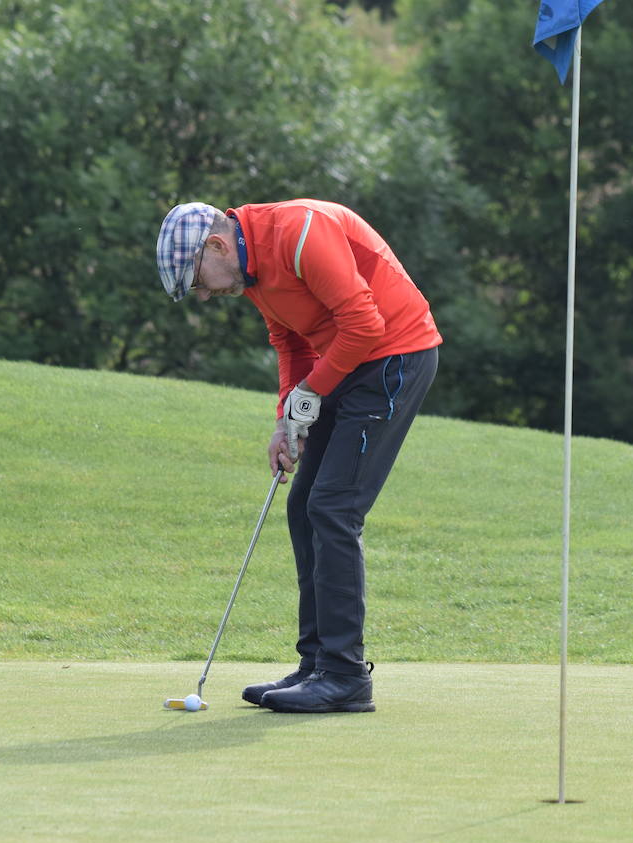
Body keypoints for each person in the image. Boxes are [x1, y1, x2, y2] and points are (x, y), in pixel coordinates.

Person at [156, 199, 442, 713]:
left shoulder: (299, 232)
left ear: (217, 246)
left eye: (198, 282)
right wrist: (288, 419)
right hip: (347, 361)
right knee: (303, 506)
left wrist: (310, 394)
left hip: (393, 357)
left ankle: (345, 675)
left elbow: (365, 323)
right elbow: (289, 344)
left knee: (333, 508)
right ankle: (316, 666)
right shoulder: (250, 269)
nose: (203, 296)